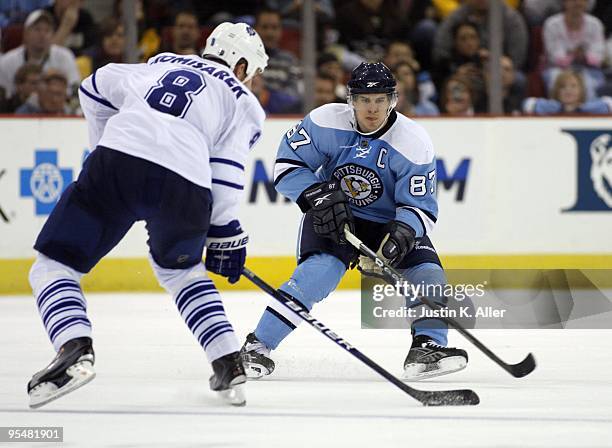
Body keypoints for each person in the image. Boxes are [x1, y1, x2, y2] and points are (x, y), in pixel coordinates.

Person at [26, 22, 268, 409]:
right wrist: (225, 232)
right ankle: (226, 360)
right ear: (241, 66)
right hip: (185, 184)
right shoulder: (243, 100)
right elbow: (225, 170)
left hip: (117, 162)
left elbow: (94, 85)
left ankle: (74, 346)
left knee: (54, 265)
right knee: (182, 272)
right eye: (253, 74)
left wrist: (102, 144)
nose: (252, 81)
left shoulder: (158, 64)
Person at [240, 62, 468, 380]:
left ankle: (427, 347)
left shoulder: (413, 142)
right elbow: (286, 167)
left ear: (393, 100)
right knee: (315, 276)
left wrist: (402, 234)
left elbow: (421, 208)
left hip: (387, 223)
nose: (372, 109)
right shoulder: (324, 122)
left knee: (427, 274)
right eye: (364, 99)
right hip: (334, 216)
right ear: (351, 100)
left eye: (379, 100)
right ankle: (256, 347)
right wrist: (317, 195)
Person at [523, 69, 612, 114]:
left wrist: (580, 108)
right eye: (563, 86)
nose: (568, 90)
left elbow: (609, 103)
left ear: (581, 90)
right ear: (557, 91)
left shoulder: (589, 107)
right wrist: (560, 107)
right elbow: (528, 104)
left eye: (573, 86)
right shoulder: (551, 107)